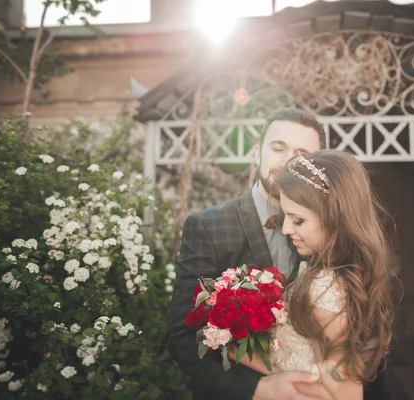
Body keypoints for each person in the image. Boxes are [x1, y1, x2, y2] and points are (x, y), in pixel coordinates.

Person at [167, 108, 331, 400]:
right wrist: (257, 389)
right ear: (257, 152)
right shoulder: (208, 226)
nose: (288, 160)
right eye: (278, 147)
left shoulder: (331, 230)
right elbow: (182, 334)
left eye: (302, 153)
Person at [229, 150, 394, 400]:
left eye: (298, 220)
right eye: (286, 216)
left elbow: (346, 395)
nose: (285, 229)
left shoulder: (325, 290)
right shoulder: (320, 273)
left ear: (335, 219)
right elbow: (299, 361)